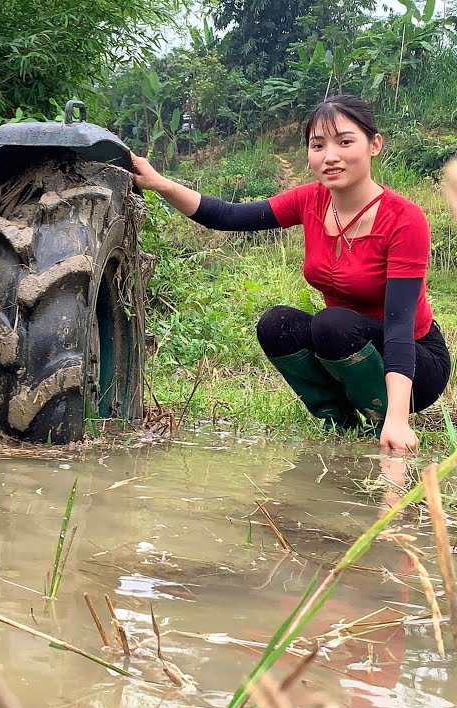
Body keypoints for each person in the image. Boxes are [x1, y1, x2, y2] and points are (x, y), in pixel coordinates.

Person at [131, 94, 450, 455]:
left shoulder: (404, 219)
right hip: (346, 342)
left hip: (417, 364)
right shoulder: (310, 200)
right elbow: (228, 217)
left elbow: (399, 328)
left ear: (374, 145)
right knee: (277, 324)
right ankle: (341, 422)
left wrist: (397, 418)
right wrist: (160, 184)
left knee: (332, 325)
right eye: (318, 145)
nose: (330, 156)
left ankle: (382, 421)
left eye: (345, 142)